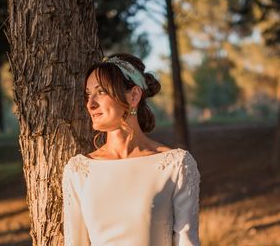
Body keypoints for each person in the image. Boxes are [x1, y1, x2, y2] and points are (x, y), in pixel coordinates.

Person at [62, 53, 201, 246]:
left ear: (134, 95)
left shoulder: (176, 165)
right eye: (88, 94)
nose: (90, 103)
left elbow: (187, 242)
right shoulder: (78, 171)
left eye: (101, 92)